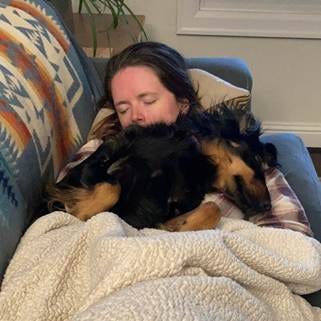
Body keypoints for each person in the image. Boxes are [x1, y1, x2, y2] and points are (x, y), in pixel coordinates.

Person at [91, 41, 204, 139]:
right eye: (123, 110)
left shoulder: (212, 149)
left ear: (183, 103)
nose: (135, 116)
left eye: (148, 101)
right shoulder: (100, 151)